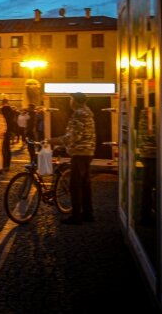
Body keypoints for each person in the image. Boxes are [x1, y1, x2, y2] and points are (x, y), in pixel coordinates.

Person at [50, 92, 96, 225]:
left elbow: (74, 136)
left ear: (75, 101)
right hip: (87, 151)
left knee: (75, 185)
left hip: (80, 153)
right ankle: (88, 213)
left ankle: (76, 216)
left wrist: (55, 140)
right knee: (85, 184)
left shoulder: (79, 114)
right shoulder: (87, 113)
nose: (69, 102)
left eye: (70, 99)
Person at [0, 99, 15, 171]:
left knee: (3, 149)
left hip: (3, 130)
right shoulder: (11, 111)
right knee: (8, 148)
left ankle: (4, 164)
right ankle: (7, 165)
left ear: (2, 103)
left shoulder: (1, 110)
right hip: (9, 130)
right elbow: (13, 121)